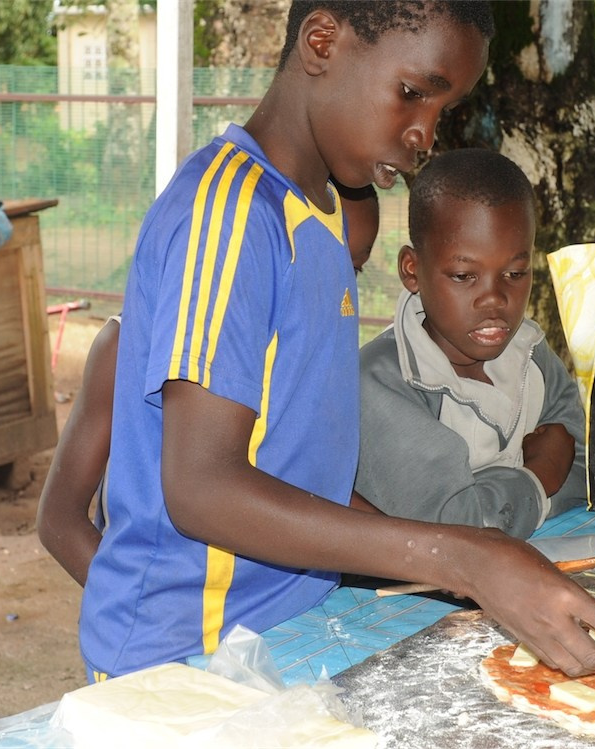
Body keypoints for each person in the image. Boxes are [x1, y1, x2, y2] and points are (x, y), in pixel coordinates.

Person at [74, 0, 595, 683]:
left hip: (288, 625)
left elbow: (299, 468)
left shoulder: (323, 219)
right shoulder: (228, 214)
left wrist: (449, 556)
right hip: (188, 656)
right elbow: (200, 486)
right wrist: (458, 556)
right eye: (413, 92)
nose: (425, 135)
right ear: (322, 41)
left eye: (443, 110)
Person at [37, 186, 383, 587]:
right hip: (161, 614)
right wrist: (129, 606)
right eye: (314, 263)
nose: (334, 290)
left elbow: (315, 491)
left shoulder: (310, 366)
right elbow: (59, 519)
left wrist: (421, 553)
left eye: (350, 271)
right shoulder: (126, 348)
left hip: (260, 608)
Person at [355, 148, 585, 537]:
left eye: (515, 273)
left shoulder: (531, 353)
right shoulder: (383, 383)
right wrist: (539, 475)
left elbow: (583, 475)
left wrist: (492, 498)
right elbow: (455, 530)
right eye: (464, 276)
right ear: (412, 270)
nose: (494, 299)